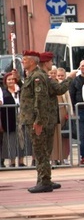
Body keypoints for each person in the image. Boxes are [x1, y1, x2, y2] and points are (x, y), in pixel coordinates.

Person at [18, 51, 54, 192]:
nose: (23, 62)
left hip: (35, 120)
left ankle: (44, 181)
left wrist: (38, 121)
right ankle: (43, 180)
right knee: (40, 151)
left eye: (25, 59)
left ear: (33, 61)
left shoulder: (37, 76)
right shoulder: (31, 76)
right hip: (30, 119)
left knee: (41, 152)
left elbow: (40, 100)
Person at [69, 59, 84, 164]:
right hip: (80, 110)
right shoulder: (76, 80)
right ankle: (83, 156)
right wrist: (72, 109)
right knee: (81, 135)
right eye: (82, 66)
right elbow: (72, 95)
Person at [1, 72, 25, 168]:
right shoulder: (3, 92)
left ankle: (21, 161)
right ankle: (12, 161)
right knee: (11, 140)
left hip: (21, 117)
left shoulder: (20, 90)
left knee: (22, 139)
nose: (11, 81)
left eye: (12, 79)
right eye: (9, 79)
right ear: (5, 82)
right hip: (9, 118)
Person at [53, 67, 73, 165]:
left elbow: (68, 100)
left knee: (65, 137)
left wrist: (70, 113)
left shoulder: (65, 86)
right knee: (55, 137)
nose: (60, 78)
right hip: (54, 113)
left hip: (64, 112)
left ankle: (65, 157)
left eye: (62, 76)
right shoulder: (53, 85)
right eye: (58, 76)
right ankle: (55, 158)